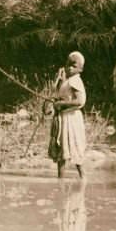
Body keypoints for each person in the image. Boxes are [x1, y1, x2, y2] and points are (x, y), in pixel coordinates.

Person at [48, 50, 87, 179]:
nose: (69, 67)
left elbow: (80, 101)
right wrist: (58, 81)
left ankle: (83, 178)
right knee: (62, 152)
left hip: (72, 119)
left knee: (75, 151)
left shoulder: (76, 81)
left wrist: (61, 104)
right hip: (64, 119)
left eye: (73, 66)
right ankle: (61, 181)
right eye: (68, 64)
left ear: (80, 69)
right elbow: (55, 96)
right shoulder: (67, 81)